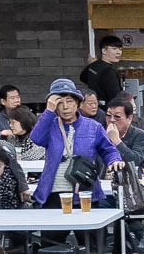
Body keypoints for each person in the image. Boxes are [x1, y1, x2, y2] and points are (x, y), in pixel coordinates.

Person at [34, 79, 126, 209]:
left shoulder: (93, 126)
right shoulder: (49, 124)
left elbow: (108, 150)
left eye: (70, 101)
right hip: (53, 193)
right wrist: (48, 111)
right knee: (55, 229)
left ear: (77, 103)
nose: (65, 107)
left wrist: (114, 160)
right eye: (59, 103)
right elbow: (37, 138)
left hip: (85, 192)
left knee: (87, 229)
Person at [80, 36, 128, 111]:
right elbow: (115, 97)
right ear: (104, 51)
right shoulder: (108, 70)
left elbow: (82, 78)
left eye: (120, 49)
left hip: (94, 108)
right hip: (106, 110)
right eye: (114, 49)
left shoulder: (94, 65)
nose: (118, 52)